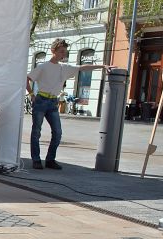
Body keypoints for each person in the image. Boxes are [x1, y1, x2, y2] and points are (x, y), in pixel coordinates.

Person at [27, 38, 111, 170]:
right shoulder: (43, 67)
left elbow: (82, 67)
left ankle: (50, 159)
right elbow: (27, 78)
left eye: (65, 52)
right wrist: (32, 94)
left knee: (58, 132)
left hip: (53, 102)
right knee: (36, 131)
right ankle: (36, 160)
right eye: (61, 52)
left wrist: (102, 66)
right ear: (53, 51)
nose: (63, 54)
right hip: (41, 100)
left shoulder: (64, 68)